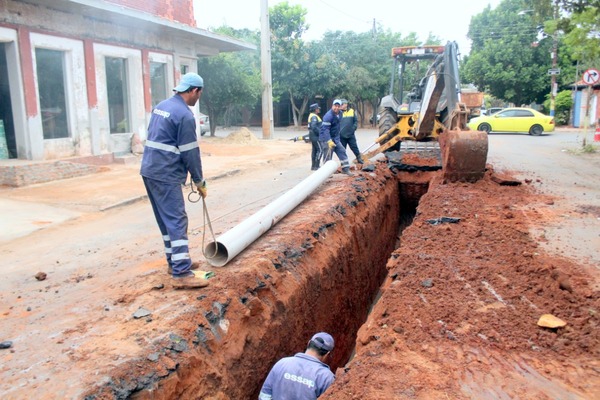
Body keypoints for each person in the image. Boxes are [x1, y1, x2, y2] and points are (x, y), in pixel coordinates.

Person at [140, 72, 209, 289]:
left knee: (165, 220)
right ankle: (181, 273)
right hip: (165, 173)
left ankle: (175, 262)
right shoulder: (185, 116)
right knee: (177, 220)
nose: (198, 98)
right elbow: (190, 153)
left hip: (149, 170)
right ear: (194, 90)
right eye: (199, 93)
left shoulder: (162, 106)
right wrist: (199, 181)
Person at [259, 332, 336, 400]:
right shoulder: (326, 377)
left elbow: (264, 395)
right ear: (327, 354)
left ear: (309, 343)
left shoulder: (282, 363)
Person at [318, 99, 352, 176]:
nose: (336, 108)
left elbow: (337, 126)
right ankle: (327, 173)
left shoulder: (340, 114)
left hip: (335, 138)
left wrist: (336, 138)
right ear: (332, 106)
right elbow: (325, 130)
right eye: (335, 106)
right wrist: (329, 141)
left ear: (340, 107)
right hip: (326, 138)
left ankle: (345, 169)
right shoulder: (328, 116)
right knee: (328, 155)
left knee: (342, 151)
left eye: (338, 106)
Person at [339, 99, 363, 164]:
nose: (340, 106)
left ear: (346, 104)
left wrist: (354, 128)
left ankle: (359, 159)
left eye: (342, 104)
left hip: (350, 134)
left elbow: (355, 121)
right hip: (342, 135)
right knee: (342, 150)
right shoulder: (339, 113)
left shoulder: (351, 111)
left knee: (354, 147)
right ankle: (343, 163)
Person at [307, 103, 322, 171]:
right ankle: (316, 166)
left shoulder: (312, 115)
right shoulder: (314, 117)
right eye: (318, 108)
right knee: (320, 150)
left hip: (312, 136)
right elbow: (314, 127)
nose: (319, 109)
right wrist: (320, 133)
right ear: (315, 109)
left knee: (314, 150)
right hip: (316, 136)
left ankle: (313, 166)